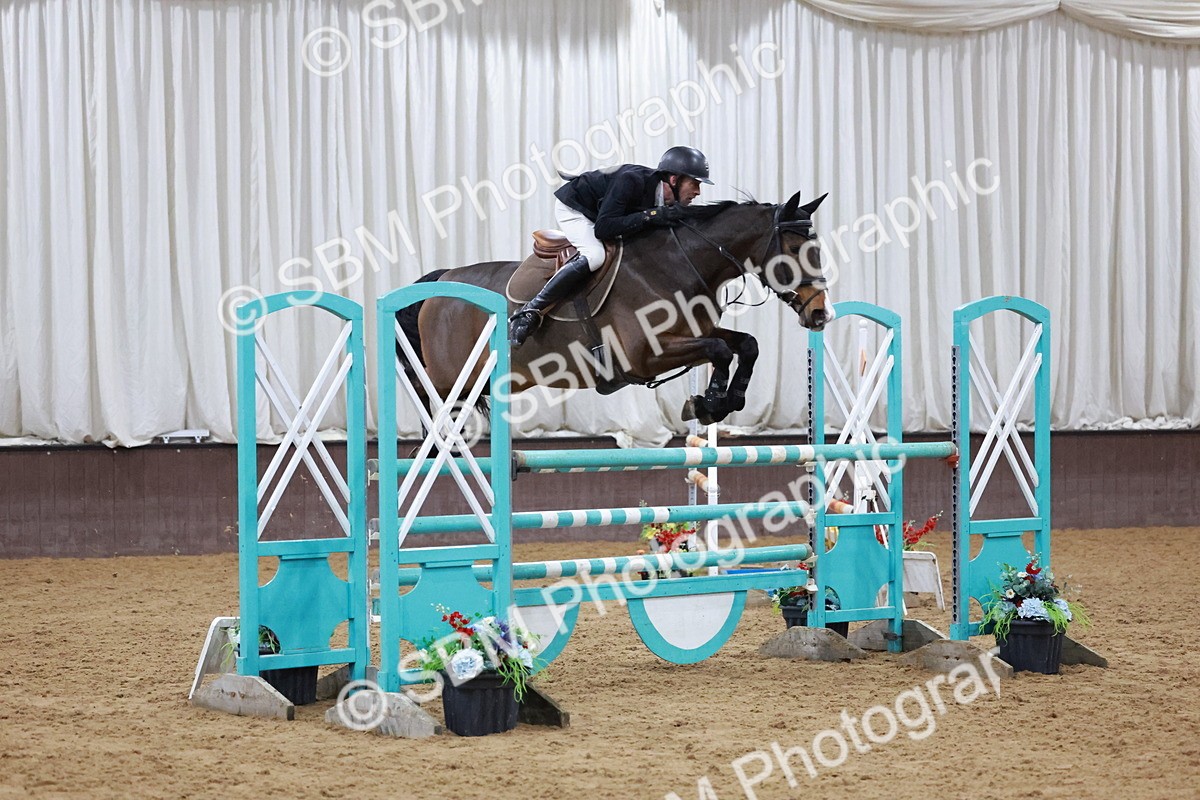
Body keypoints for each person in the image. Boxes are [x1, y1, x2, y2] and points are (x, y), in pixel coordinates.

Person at [507, 145, 713, 347]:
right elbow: (604, 229)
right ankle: (530, 310)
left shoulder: (666, 201)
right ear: (674, 180)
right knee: (595, 255)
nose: (697, 192)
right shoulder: (630, 181)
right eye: (694, 183)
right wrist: (651, 215)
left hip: (602, 215)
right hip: (576, 209)